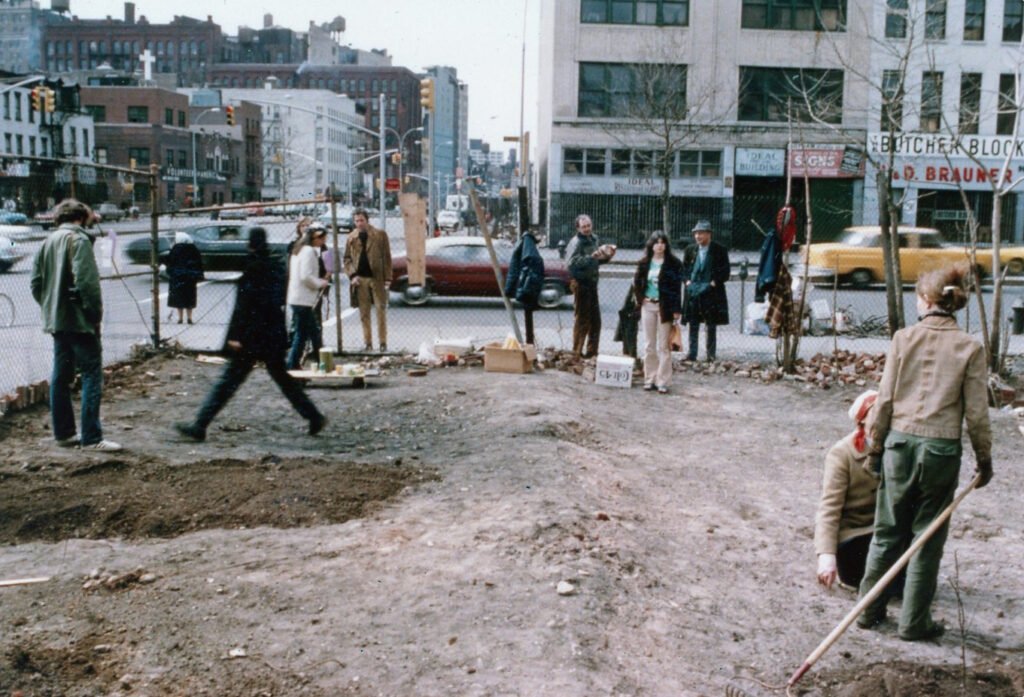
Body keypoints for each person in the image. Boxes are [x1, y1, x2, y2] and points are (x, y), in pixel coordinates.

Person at [856, 263, 993, 641]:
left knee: (886, 533)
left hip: (899, 445)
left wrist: (875, 447)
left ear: (928, 300)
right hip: (940, 451)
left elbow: (884, 400)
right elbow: (977, 415)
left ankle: (868, 611)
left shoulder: (904, 338)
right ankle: (914, 622)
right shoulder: (970, 347)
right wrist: (985, 459)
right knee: (926, 539)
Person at [175, 227, 326, 442]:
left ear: (250, 244)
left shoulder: (252, 268)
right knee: (284, 380)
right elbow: (276, 301)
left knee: (228, 382)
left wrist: (235, 336)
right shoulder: (274, 266)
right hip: (271, 335)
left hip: (250, 338)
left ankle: (200, 424)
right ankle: (313, 416)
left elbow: (243, 307)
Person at [30, 198, 122, 451]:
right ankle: (92, 437)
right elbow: (88, 284)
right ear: (80, 218)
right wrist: (94, 315)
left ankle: (64, 433)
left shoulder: (46, 242)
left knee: (60, 376)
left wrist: (51, 306)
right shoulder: (79, 240)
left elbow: (35, 283)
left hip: (57, 320)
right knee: (92, 374)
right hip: (80, 321)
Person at [815, 390, 882, 590]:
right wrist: (826, 557)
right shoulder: (842, 454)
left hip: (887, 532)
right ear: (862, 422)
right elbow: (829, 507)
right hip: (856, 534)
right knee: (863, 578)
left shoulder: (897, 450)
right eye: (876, 417)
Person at [632, 231, 683, 394]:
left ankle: (663, 381)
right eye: (656, 242)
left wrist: (676, 309)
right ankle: (650, 379)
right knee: (649, 345)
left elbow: (676, 289)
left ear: (666, 245)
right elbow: (637, 284)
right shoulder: (644, 263)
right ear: (651, 245)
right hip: (648, 305)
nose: (660, 245)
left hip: (665, 307)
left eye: (662, 242)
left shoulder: (673, 264)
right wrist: (641, 300)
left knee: (664, 346)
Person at [565, 214, 615, 357]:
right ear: (578, 228)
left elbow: (596, 261)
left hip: (592, 284)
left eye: (588, 226)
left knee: (595, 321)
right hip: (580, 284)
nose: (587, 229)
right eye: (584, 227)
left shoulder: (594, 238)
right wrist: (590, 257)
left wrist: (607, 256)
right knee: (582, 321)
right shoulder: (576, 243)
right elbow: (570, 263)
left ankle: (592, 353)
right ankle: (577, 353)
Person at [343, 209, 392, 352]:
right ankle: (367, 342)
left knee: (380, 311)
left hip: (377, 279)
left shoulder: (379, 235)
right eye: (356, 221)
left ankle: (383, 343)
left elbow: (387, 257)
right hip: (360, 279)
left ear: (367, 220)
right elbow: (347, 259)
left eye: (361, 220)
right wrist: (352, 275)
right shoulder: (351, 237)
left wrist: (388, 278)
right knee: (364, 313)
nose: (359, 224)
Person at [681, 219, 730, 362]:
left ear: (709, 234)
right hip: (693, 291)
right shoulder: (690, 250)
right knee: (693, 323)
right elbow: (684, 270)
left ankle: (711, 355)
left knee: (711, 324)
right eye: (696, 233)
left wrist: (714, 283)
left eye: (701, 233)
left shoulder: (719, 250)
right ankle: (692, 354)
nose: (697, 236)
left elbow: (725, 272)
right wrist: (687, 282)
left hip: (711, 291)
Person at [286, 223, 330, 370]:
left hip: (297, 298)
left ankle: (319, 362)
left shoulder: (298, 249)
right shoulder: (308, 251)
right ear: (315, 238)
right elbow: (306, 276)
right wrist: (320, 283)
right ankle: (294, 365)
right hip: (302, 299)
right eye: (322, 238)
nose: (323, 242)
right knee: (305, 335)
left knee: (308, 333)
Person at [504, 228, 545, 344]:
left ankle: (529, 343)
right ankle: (529, 343)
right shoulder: (529, 249)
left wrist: (509, 289)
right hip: (527, 289)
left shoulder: (525, 246)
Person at [166, 232, 204, 325]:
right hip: (190, 277)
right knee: (189, 297)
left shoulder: (175, 249)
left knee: (179, 298)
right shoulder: (193, 249)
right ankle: (189, 318)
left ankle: (180, 318)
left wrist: (170, 272)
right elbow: (198, 263)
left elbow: (170, 262)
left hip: (177, 277)